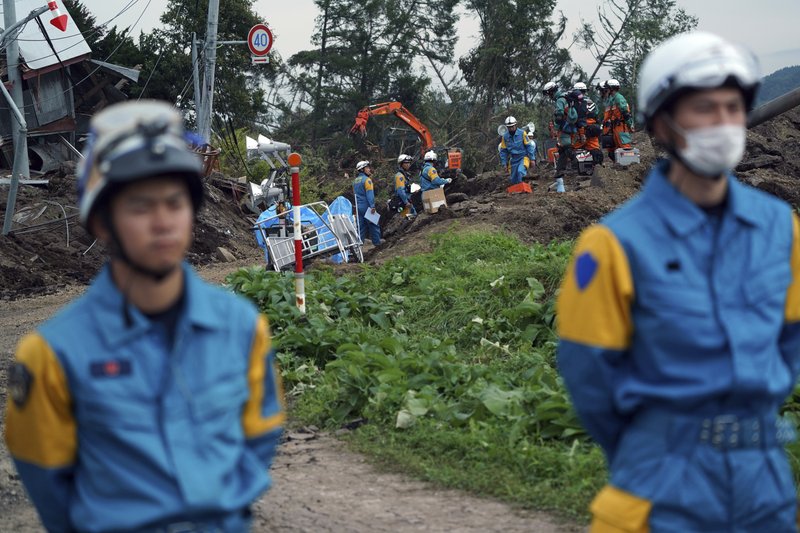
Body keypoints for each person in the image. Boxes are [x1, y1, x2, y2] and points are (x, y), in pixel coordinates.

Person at [556, 32, 799, 531]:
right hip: (659, 490)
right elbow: (589, 378)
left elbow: (791, 343)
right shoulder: (611, 246)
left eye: (733, 108)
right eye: (704, 109)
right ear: (662, 123)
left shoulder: (781, 229)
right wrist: (659, 444)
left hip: (765, 486)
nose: (724, 124)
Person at [4, 100, 285, 532]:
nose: (162, 222)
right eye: (140, 206)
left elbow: (260, 437)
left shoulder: (242, 329)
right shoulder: (49, 357)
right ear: (101, 221)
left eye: (175, 203)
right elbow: (49, 485)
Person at [543, 81, 576, 192]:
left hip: (565, 128)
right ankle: (560, 171)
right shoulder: (564, 98)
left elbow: (559, 115)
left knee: (566, 147)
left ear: (551, 92)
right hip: (568, 126)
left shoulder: (560, 100)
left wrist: (556, 127)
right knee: (562, 149)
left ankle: (577, 166)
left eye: (548, 94)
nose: (549, 96)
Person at [571, 82, 603, 167]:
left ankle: (578, 168)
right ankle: (598, 168)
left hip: (580, 129)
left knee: (576, 148)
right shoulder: (591, 102)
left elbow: (573, 116)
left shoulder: (575, 103)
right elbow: (596, 115)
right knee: (595, 148)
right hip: (593, 129)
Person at [498, 115, 536, 185]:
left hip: (523, 157)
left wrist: (532, 159)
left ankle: (525, 188)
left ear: (515, 125)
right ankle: (518, 191)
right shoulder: (505, 137)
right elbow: (503, 151)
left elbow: (529, 146)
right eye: (509, 127)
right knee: (513, 180)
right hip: (513, 160)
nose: (511, 128)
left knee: (520, 172)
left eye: (512, 126)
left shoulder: (522, 133)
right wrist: (504, 164)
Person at [602, 78, 634, 161]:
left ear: (611, 89)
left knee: (624, 145)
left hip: (621, 126)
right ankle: (620, 165)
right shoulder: (613, 98)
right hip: (616, 126)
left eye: (608, 88)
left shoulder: (619, 98)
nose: (606, 90)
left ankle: (628, 165)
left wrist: (630, 124)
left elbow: (625, 112)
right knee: (616, 147)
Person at [353, 159, 382, 245]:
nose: (369, 169)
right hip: (367, 206)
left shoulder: (354, 181)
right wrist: (372, 206)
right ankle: (377, 244)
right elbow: (370, 194)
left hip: (358, 207)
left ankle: (358, 247)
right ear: (362, 169)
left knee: (361, 228)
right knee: (374, 224)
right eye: (367, 168)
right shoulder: (367, 180)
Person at [394, 154, 417, 218]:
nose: (408, 164)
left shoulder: (404, 174)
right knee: (408, 218)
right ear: (401, 164)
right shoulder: (400, 176)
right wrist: (406, 202)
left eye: (409, 163)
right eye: (406, 163)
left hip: (407, 199)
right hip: (404, 202)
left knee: (412, 217)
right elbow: (401, 190)